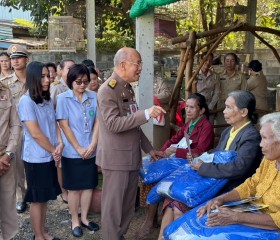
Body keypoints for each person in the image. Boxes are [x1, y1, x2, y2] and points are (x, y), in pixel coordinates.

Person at [158, 90, 263, 239]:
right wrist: (199, 157)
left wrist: (204, 167)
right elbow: (217, 154)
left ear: (243, 111)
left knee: (179, 207)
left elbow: (239, 168)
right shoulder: (228, 131)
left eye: (228, 107)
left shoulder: (250, 135)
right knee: (172, 200)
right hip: (215, 181)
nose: (224, 111)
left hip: (231, 187)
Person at [96, 47, 166, 240]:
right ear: (123, 64)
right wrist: (145, 114)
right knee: (113, 208)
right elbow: (113, 124)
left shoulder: (126, 88)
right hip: (116, 159)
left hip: (131, 157)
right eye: (138, 64)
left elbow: (132, 126)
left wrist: (149, 149)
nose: (140, 69)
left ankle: (119, 235)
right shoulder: (107, 90)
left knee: (127, 206)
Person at [136, 93, 214, 239]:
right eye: (187, 107)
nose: (188, 110)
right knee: (152, 170)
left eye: (192, 107)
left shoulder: (206, 126)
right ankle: (151, 219)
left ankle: (149, 221)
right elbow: (174, 139)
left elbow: (201, 152)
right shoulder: (189, 123)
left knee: (156, 179)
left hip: (191, 165)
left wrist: (174, 150)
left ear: (202, 110)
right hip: (178, 160)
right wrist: (162, 151)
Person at [197, 112, 280, 232]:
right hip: (253, 213)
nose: (260, 144)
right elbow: (252, 184)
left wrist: (237, 217)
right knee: (205, 220)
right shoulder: (269, 160)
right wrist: (221, 199)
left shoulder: (251, 137)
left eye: (265, 138)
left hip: (271, 228)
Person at [18, 61, 63, 240]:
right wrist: (54, 149)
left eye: (48, 76)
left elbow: (54, 125)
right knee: (37, 199)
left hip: (49, 155)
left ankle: (43, 232)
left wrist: (59, 144)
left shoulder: (46, 99)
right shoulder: (26, 101)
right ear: (34, 78)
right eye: (43, 76)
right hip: (36, 158)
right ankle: (38, 236)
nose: (47, 79)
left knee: (44, 198)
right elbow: (35, 133)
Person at [56, 64, 100, 238]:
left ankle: (85, 217)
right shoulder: (62, 98)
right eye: (78, 82)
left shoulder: (94, 96)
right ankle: (75, 219)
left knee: (89, 186)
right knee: (74, 188)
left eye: (85, 81)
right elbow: (64, 125)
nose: (82, 85)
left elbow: (98, 122)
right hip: (72, 152)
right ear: (70, 81)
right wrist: (79, 148)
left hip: (91, 149)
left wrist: (93, 144)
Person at [1, 44, 29, 214]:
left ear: (27, 60)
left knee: (34, 163)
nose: (15, 60)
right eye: (12, 58)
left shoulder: (35, 80)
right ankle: (21, 196)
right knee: (17, 164)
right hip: (16, 130)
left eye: (18, 57)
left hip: (34, 129)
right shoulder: (4, 84)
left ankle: (34, 192)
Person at [50, 58, 74, 204]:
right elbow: (51, 111)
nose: (71, 71)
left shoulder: (76, 85)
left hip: (75, 130)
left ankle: (71, 189)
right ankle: (63, 191)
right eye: (68, 69)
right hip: (60, 131)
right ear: (61, 70)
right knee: (61, 164)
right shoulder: (57, 87)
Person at [0, 82, 21, 240]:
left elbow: (15, 124)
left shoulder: (5, 90)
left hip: (5, 159)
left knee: (8, 203)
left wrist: (8, 153)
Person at [216, 53, 247, 133]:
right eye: (227, 61)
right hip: (221, 106)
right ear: (224, 62)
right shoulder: (218, 75)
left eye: (232, 61)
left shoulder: (241, 76)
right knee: (221, 130)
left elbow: (244, 93)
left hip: (235, 107)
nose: (229, 63)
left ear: (236, 62)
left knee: (234, 129)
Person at [153, 75, 171, 150]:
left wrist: (148, 98)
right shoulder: (134, 80)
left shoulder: (159, 80)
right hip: (142, 118)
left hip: (160, 119)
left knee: (160, 147)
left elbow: (166, 95)